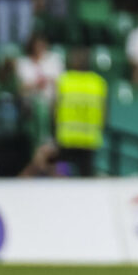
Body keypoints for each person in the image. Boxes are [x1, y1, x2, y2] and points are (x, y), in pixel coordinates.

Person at [54, 48, 107, 178]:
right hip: (88, 139)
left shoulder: (64, 80)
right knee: (86, 179)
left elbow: (54, 108)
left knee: (63, 177)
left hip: (67, 137)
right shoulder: (98, 83)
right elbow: (104, 112)